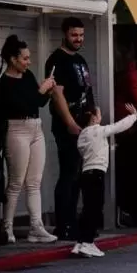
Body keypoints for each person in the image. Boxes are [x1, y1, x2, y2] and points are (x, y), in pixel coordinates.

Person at [0, 35, 58, 243]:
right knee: (16, 182)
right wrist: (42, 89)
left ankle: (36, 227)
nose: (28, 62)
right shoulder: (4, 83)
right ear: (13, 59)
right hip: (17, 129)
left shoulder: (27, 75)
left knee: (34, 181)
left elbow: (38, 103)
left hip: (35, 128)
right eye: (25, 58)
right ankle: (8, 226)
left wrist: (47, 90)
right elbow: (21, 105)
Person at [45, 17, 96, 241]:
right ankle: (63, 224)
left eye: (81, 35)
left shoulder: (81, 60)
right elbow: (57, 95)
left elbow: (88, 90)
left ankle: (74, 222)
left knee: (79, 175)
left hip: (85, 122)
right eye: (74, 35)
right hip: (68, 124)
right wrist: (70, 123)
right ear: (65, 34)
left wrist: (95, 114)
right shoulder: (57, 60)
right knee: (68, 173)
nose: (78, 39)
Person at [74, 105, 137, 257]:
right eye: (99, 115)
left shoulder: (82, 135)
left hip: (85, 173)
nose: (101, 118)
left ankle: (81, 242)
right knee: (95, 208)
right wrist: (133, 116)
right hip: (97, 173)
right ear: (94, 118)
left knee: (87, 208)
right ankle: (88, 242)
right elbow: (118, 127)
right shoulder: (97, 131)